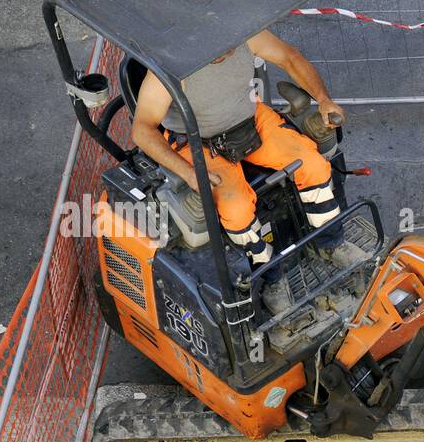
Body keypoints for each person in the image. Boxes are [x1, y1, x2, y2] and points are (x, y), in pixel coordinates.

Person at [130, 30, 347, 271]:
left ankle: (331, 243)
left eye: (230, 45)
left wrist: (323, 99)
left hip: (250, 119)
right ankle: (271, 273)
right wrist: (190, 174)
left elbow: (290, 58)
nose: (225, 53)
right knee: (236, 208)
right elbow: (142, 129)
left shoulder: (246, 33)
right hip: (198, 142)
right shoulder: (170, 67)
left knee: (312, 164)